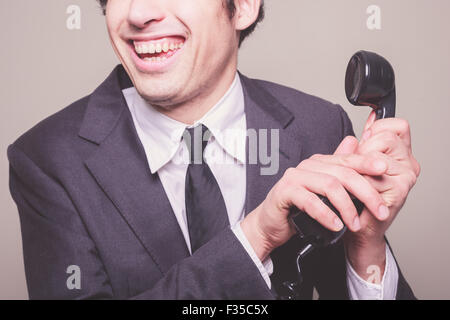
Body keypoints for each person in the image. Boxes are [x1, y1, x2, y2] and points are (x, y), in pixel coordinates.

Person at [7, 0, 420, 299]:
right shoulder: (47, 160)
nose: (136, 13)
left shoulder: (319, 126)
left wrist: (366, 245)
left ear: (242, 7)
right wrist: (255, 237)